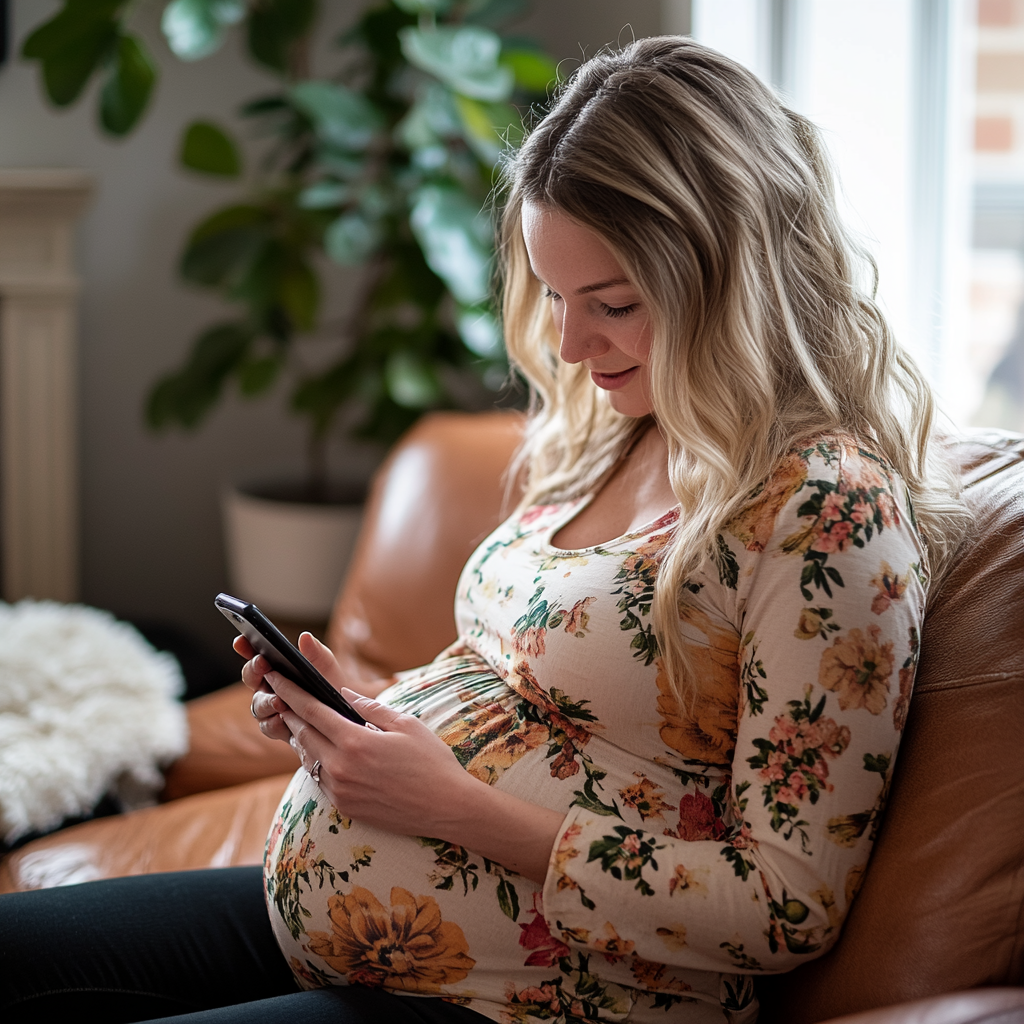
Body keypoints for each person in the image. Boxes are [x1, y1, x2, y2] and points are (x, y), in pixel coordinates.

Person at [0, 35, 967, 1024]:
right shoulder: (621, 431)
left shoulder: (826, 512)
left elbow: (785, 903)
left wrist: (449, 805)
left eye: (614, 303)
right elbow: (530, 699)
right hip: (363, 937)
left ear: (735, 280)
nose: (568, 343)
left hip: (543, 1003)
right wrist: (358, 724)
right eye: (554, 295)